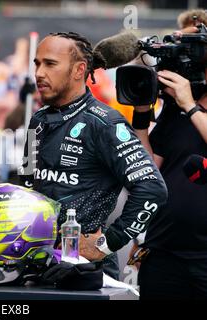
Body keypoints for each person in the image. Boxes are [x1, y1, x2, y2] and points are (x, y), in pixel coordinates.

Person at [19, 32, 168, 279]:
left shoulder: (105, 123)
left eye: (50, 64)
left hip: (85, 269)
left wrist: (107, 244)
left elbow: (152, 189)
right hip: (35, 260)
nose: (39, 73)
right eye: (37, 63)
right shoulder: (38, 120)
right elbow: (26, 185)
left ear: (79, 70)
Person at [131, 12, 207, 299]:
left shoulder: (185, 106)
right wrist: (141, 117)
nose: (184, 57)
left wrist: (190, 105)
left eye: (191, 48)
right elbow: (150, 167)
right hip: (164, 250)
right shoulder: (175, 110)